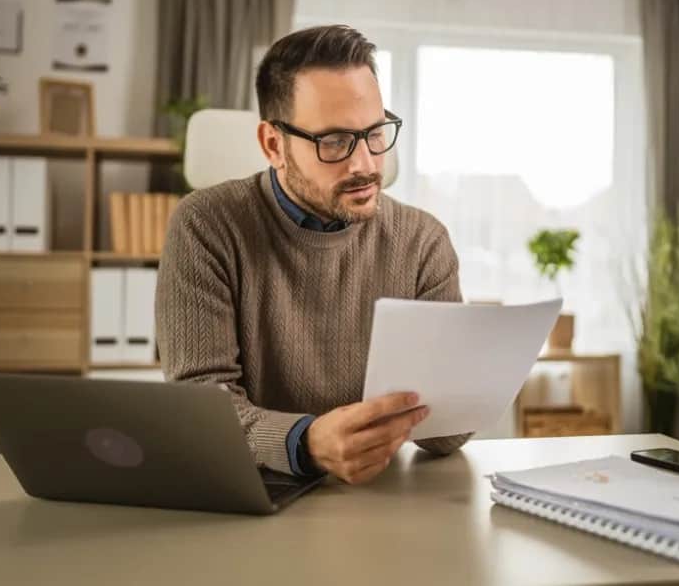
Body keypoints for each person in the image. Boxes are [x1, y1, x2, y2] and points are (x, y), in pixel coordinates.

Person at [156, 24, 469, 486]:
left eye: (375, 133)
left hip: (383, 499)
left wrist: (465, 392)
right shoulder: (205, 225)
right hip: (254, 498)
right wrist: (305, 443)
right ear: (273, 145)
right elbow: (201, 407)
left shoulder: (423, 241)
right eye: (336, 142)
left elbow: (445, 436)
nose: (365, 164)